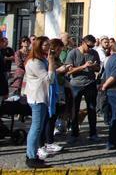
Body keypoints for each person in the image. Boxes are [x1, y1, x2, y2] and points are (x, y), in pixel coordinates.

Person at [23, 37, 54, 168]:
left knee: (38, 127)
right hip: (37, 98)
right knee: (36, 128)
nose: (48, 47)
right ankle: (31, 156)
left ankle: (33, 154)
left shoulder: (40, 60)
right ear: (38, 46)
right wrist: (51, 62)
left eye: (48, 45)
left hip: (41, 97)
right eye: (45, 45)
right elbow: (49, 79)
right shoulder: (34, 62)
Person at [65, 35, 101, 143]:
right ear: (83, 43)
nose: (90, 49)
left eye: (92, 47)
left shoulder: (94, 53)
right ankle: (74, 133)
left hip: (90, 83)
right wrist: (83, 66)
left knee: (92, 109)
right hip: (76, 84)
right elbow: (69, 71)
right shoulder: (73, 53)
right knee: (74, 109)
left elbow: (98, 68)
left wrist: (94, 67)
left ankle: (93, 133)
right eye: (89, 46)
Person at [41, 39, 69, 158]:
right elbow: (48, 74)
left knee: (53, 117)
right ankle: (46, 143)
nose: (59, 52)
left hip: (58, 90)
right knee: (47, 119)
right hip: (49, 92)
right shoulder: (47, 58)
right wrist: (59, 70)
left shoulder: (56, 59)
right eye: (58, 49)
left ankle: (49, 141)